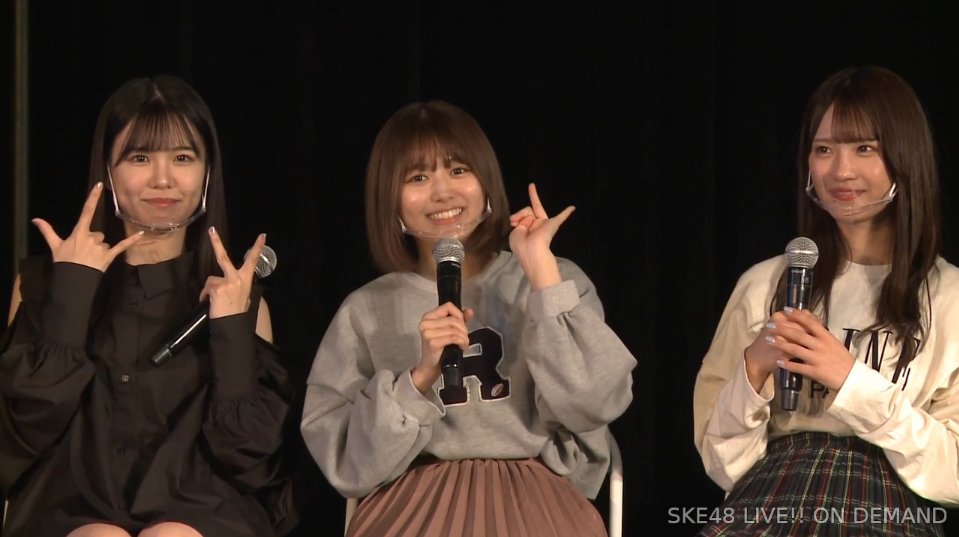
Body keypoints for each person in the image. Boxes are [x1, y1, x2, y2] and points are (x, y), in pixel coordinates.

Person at [300, 100, 636, 537]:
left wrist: (542, 274)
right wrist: (418, 379)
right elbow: (344, 460)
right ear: (390, 198)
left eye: (459, 170)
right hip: (413, 501)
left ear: (486, 181)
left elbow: (597, 402)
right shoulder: (365, 310)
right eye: (418, 177)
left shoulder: (555, 278)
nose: (443, 193)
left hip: (538, 493)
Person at [0, 76, 295, 537]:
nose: (163, 179)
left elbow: (250, 456)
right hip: (71, 503)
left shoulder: (235, 295)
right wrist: (72, 294)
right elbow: (25, 429)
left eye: (183, 158)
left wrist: (231, 328)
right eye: (140, 158)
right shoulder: (44, 284)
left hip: (202, 506)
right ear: (108, 169)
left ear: (207, 172)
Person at [693, 66, 958, 536]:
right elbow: (723, 462)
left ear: (905, 156)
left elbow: (952, 474)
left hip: (887, 503)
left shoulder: (949, 296)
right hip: (774, 493)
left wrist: (853, 383)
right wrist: (753, 371)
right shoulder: (764, 284)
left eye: (864, 148)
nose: (841, 171)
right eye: (824, 150)